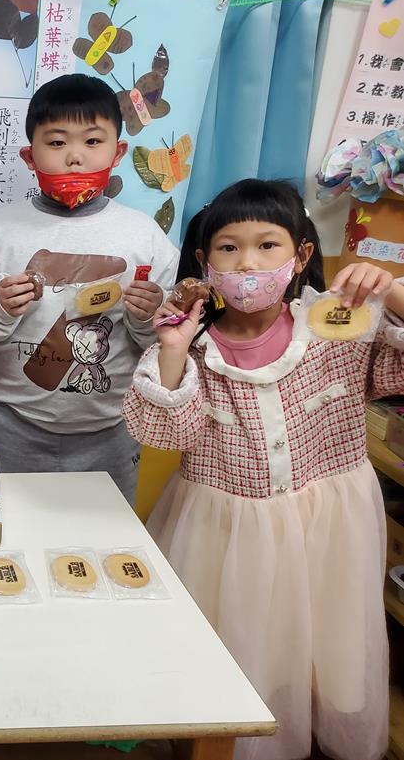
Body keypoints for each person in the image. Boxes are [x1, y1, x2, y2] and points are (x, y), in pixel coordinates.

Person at [123, 179, 399, 760]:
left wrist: (391, 291)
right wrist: (172, 348)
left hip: (330, 527)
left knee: (326, 643)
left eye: (267, 245)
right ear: (205, 262)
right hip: (223, 534)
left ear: (301, 254)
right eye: (229, 248)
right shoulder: (193, 349)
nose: (248, 263)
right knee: (237, 650)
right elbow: (165, 433)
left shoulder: (337, 325)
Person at [0, 73, 178, 502]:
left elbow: (164, 340)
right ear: (29, 155)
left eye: (92, 141)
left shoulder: (144, 236)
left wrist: (149, 314)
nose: (75, 156)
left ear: (118, 152)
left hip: (111, 429)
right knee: (8, 529)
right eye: (56, 143)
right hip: (11, 423)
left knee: (106, 531)